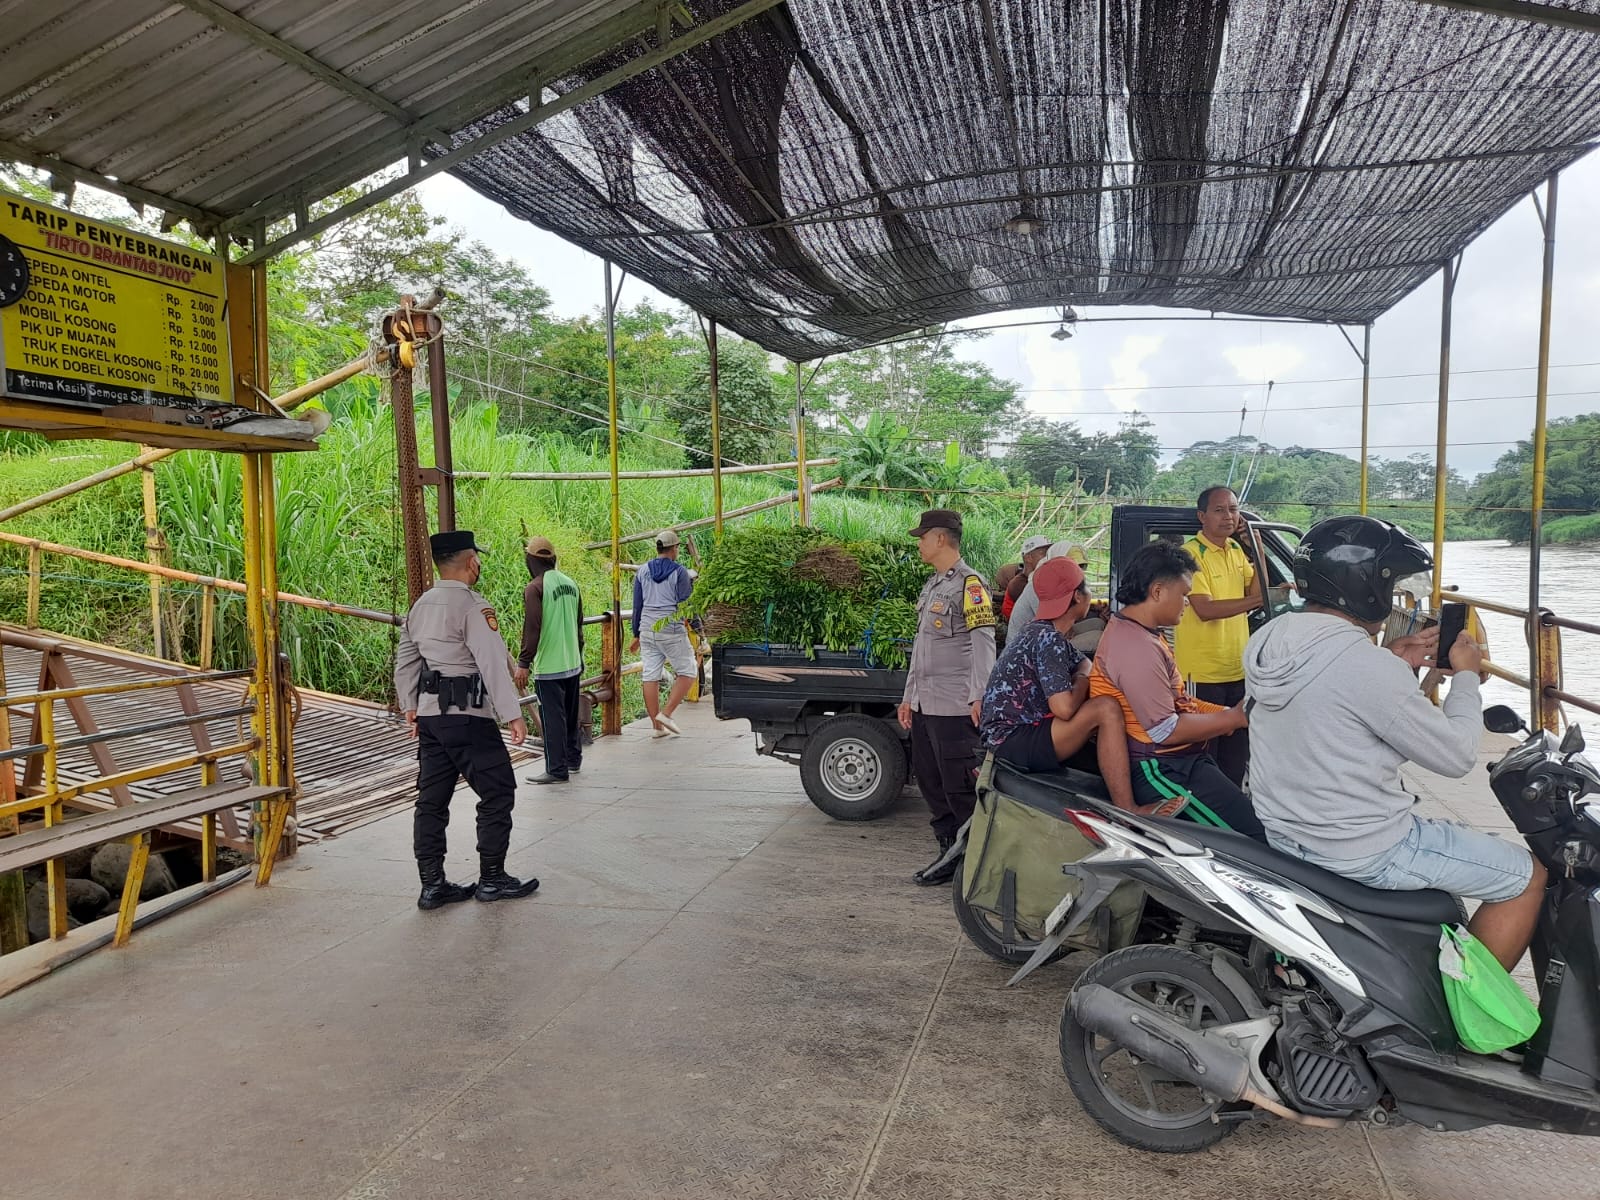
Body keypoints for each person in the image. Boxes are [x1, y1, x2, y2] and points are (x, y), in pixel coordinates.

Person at [1244, 515, 1545, 971]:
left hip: (1288, 830)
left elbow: (1330, 707)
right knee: (1527, 876)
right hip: (1362, 845)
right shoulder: (1365, 667)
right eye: (1391, 584)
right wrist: (1465, 676)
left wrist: (1392, 660)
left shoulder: (1269, 639)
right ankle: (1471, 1008)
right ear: (1366, 586)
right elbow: (1457, 755)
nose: (1394, 595)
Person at [394, 530, 539, 908]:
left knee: (431, 801)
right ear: (471, 562)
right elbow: (491, 662)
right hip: (469, 717)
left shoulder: (420, 606)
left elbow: (406, 660)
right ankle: (492, 879)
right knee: (498, 792)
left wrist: (409, 704)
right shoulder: (474, 607)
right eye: (478, 559)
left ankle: (432, 886)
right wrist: (513, 714)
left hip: (431, 718)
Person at [1089, 539, 1264, 838]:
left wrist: (1228, 714)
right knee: (1252, 840)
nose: (1187, 602)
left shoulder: (1143, 633)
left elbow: (1179, 701)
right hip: (1161, 768)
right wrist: (1232, 718)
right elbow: (1165, 730)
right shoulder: (1135, 647)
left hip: (1180, 761)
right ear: (1157, 591)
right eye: (1183, 594)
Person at [980, 556, 1136, 809]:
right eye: (1087, 587)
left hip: (1012, 735)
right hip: (1014, 739)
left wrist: (1081, 676)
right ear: (1077, 596)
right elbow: (1064, 707)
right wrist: (1081, 681)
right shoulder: (1048, 638)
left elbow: (1085, 664)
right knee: (1106, 709)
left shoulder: (1040, 631)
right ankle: (1129, 809)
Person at [897, 509, 997, 886]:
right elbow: (922, 647)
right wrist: (909, 697)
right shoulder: (934, 585)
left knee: (959, 786)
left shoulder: (970, 584)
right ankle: (949, 851)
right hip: (926, 705)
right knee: (930, 781)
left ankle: (973, 861)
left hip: (955, 707)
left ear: (940, 539)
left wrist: (980, 695)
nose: (919, 544)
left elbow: (983, 641)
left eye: (922, 538)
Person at [1173, 486, 1262, 787]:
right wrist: (1259, 601)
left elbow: (1256, 590)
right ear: (1202, 516)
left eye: (1233, 510)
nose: (1228, 516)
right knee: (1205, 755)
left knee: (1235, 756)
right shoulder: (1190, 554)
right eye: (1219, 510)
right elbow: (1205, 609)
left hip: (1237, 669)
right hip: (1202, 674)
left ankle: (1230, 806)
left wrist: (1257, 549)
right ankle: (1203, 812)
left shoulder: (1236, 549)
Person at [515, 536, 585, 786]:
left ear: (531, 560)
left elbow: (532, 626)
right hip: (572, 661)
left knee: (552, 718)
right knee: (570, 714)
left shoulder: (535, 588)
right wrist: (579, 655)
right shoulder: (570, 583)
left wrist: (524, 662)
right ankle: (573, 760)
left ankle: (556, 769)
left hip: (550, 665)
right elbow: (578, 624)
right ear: (552, 559)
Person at [631, 528, 696, 737]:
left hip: (647, 629)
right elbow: (686, 604)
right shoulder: (680, 572)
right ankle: (666, 715)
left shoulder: (642, 571)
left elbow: (637, 605)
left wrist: (636, 633)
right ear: (674, 548)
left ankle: (657, 728)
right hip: (671, 629)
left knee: (650, 675)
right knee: (688, 671)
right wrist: (698, 628)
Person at [1011, 541, 1089, 630]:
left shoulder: (1062, 584)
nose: (1078, 571)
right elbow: (1054, 624)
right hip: (1030, 637)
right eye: (1072, 566)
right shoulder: (1038, 586)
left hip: (1046, 632)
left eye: (1081, 567)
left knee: (1096, 623)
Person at [1002, 534, 1053, 621]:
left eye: (1049, 552)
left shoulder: (1038, 579)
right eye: (1043, 553)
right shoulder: (1019, 584)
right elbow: (1043, 613)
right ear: (1028, 558)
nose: (1048, 557)